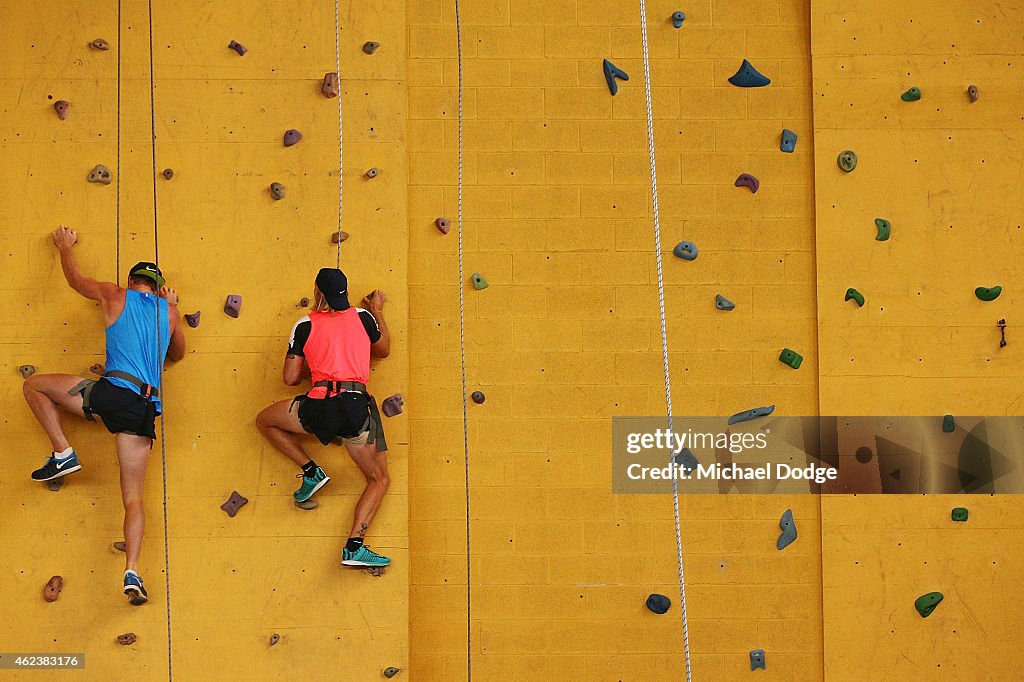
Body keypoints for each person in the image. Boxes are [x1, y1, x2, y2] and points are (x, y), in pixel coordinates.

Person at [23, 226, 186, 605]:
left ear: (131, 281)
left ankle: (62, 451)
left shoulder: (115, 294)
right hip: (144, 411)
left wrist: (65, 247)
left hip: (111, 394)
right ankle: (132, 570)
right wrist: (172, 304)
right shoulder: (170, 312)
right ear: (158, 285)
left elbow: (75, 280)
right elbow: (176, 354)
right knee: (133, 500)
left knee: (34, 386)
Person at [256, 267, 392, 569]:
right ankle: (355, 545)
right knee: (378, 479)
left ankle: (311, 470)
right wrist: (378, 311)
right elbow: (383, 350)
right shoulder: (363, 317)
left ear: (318, 292)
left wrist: (317, 363)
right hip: (355, 409)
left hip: (318, 407)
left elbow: (290, 378)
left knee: (265, 420)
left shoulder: (304, 324)